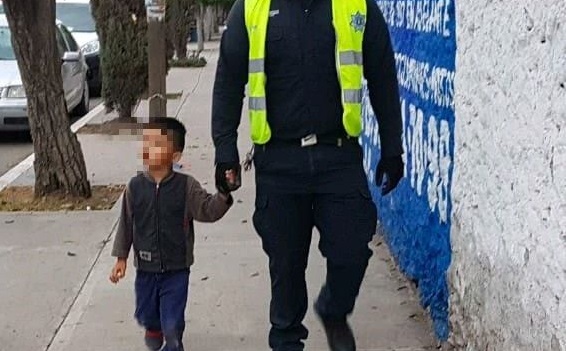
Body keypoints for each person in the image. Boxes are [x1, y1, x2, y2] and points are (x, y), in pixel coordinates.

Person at [212, 0, 405, 350]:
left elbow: (382, 76)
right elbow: (228, 80)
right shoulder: (252, 8)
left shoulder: (356, 6)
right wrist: (225, 149)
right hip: (279, 163)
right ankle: (286, 340)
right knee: (286, 269)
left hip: (339, 157)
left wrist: (393, 148)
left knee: (351, 250)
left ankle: (334, 309)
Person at [109, 117, 234, 351]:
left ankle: (173, 342)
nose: (147, 148)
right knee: (146, 313)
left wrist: (223, 195)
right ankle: (152, 326)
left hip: (177, 269)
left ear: (174, 156)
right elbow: (126, 223)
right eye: (145, 142)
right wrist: (121, 258)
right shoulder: (135, 186)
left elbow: (207, 210)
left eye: (156, 144)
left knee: (172, 322)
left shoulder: (186, 186)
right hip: (145, 268)